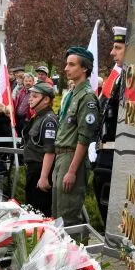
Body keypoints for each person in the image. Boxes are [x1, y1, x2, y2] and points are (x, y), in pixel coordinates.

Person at [52, 47, 99, 226]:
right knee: (57, 214)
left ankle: (77, 245)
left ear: (84, 68)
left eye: (72, 65)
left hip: (72, 157)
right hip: (61, 156)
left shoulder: (87, 97)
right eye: (67, 64)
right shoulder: (72, 94)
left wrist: (72, 171)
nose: (66, 68)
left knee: (68, 217)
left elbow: (84, 138)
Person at [93, 26, 126, 227]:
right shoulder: (120, 77)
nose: (112, 53)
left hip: (117, 156)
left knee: (113, 216)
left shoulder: (133, 81)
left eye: (118, 48)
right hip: (107, 153)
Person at [22, 82, 58, 216]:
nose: (30, 99)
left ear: (46, 99)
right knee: (31, 210)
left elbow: (50, 151)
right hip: (33, 170)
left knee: (40, 213)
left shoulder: (49, 120)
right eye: (30, 95)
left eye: (35, 96)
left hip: (40, 170)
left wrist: (43, 177)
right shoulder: (38, 117)